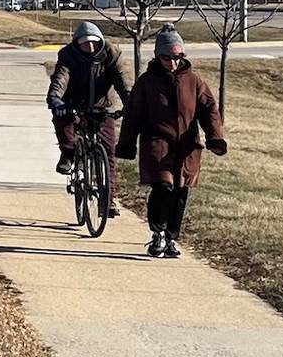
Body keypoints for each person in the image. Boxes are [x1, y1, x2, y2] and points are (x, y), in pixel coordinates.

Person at [117, 24, 228, 258]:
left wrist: (215, 137)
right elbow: (133, 114)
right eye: (167, 57)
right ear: (158, 56)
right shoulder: (147, 82)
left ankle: (171, 238)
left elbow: (209, 110)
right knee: (163, 187)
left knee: (180, 192)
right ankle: (157, 234)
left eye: (178, 57)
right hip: (157, 144)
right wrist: (126, 144)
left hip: (187, 147)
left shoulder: (195, 82)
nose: (173, 62)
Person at [46, 21, 129, 180]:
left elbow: (122, 81)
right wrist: (56, 99)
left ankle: (109, 201)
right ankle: (68, 154)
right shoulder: (68, 55)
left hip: (103, 107)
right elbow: (60, 78)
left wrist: (130, 103)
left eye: (94, 43)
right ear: (77, 44)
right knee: (62, 119)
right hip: (74, 104)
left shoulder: (112, 53)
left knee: (109, 153)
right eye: (85, 44)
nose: (91, 47)